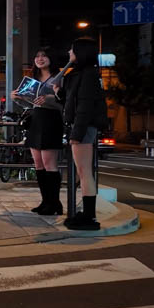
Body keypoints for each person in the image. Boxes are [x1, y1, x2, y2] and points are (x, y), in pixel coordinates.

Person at [54, 37, 108, 230]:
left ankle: (89, 216)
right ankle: (86, 214)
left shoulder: (89, 75)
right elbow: (72, 102)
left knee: (84, 172)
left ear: (81, 52)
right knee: (82, 171)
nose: (69, 53)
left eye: (72, 50)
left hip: (83, 127)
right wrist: (60, 92)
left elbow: (85, 107)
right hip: (80, 126)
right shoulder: (81, 74)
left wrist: (76, 133)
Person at [11, 47, 64, 215]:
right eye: (37, 56)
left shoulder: (59, 78)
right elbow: (31, 104)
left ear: (51, 58)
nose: (40, 59)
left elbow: (64, 102)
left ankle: (55, 203)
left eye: (44, 56)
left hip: (51, 120)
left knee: (50, 164)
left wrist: (50, 99)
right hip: (36, 119)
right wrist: (18, 99)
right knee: (38, 164)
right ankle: (45, 201)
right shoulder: (32, 79)